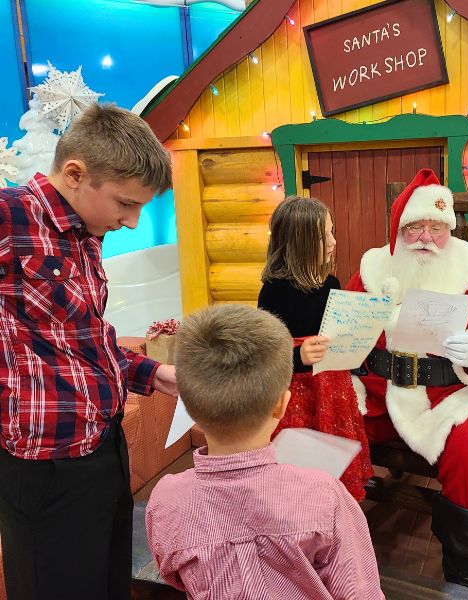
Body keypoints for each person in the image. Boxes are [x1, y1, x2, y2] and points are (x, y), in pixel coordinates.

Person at [0, 103, 177, 600]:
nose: (133, 221)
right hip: (46, 464)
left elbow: (83, 341)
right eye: (125, 204)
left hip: (101, 446)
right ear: (76, 174)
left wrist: (153, 372)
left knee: (105, 582)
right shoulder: (12, 215)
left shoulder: (85, 236)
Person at [346, 168, 468, 591]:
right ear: (400, 229)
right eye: (415, 227)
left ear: (450, 228)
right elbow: (347, 332)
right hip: (377, 392)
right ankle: (332, 541)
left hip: (449, 395)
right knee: (326, 428)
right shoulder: (374, 265)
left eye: (436, 227)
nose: (426, 237)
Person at [146, 304, 384, 600]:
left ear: (189, 408)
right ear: (281, 406)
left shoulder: (166, 501)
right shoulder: (325, 496)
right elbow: (360, 593)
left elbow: (177, 578)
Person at [257, 195, 372, 500]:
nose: (333, 241)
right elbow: (265, 353)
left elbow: (335, 331)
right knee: (300, 468)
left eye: (332, 231)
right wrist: (298, 355)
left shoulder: (331, 282)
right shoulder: (273, 292)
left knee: (333, 457)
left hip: (331, 386)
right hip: (296, 391)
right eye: (324, 235)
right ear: (300, 242)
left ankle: (336, 506)